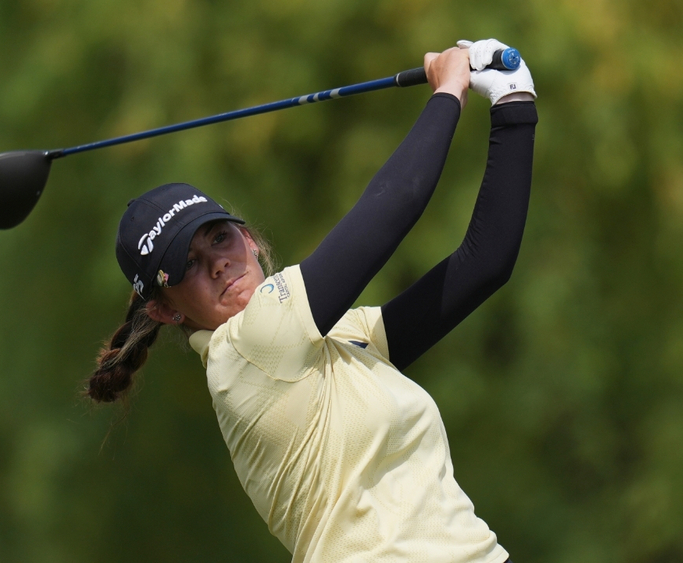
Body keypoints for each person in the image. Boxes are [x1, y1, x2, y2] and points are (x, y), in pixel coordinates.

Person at [88, 38, 538, 563]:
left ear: (248, 239)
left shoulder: (339, 337)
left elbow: (484, 264)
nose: (217, 264)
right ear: (166, 310)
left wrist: (513, 101)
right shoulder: (245, 349)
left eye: (219, 237)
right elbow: (396, 202)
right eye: (186, 264)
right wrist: (449, 90)